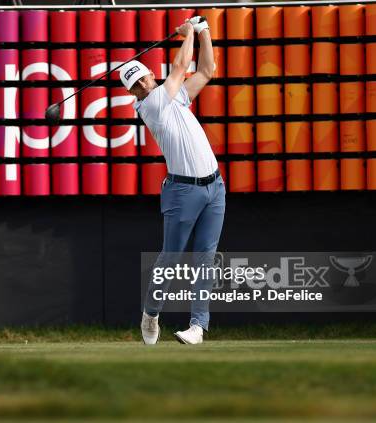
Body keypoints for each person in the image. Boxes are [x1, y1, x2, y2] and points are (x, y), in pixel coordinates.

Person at [119, 18, 225, 345]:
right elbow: (180, 66)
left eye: (144, 77)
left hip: (214, 188)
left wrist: (204, 30)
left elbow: (206, 71)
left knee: (206, 257)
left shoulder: (175, 97)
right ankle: (151, 314)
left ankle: (197, 326)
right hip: (182, 191)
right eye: (136, 84)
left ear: (150, 74)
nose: (143, 84)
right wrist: (188, 31)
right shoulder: (151, 104)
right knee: (171, 258)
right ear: (134, 92)